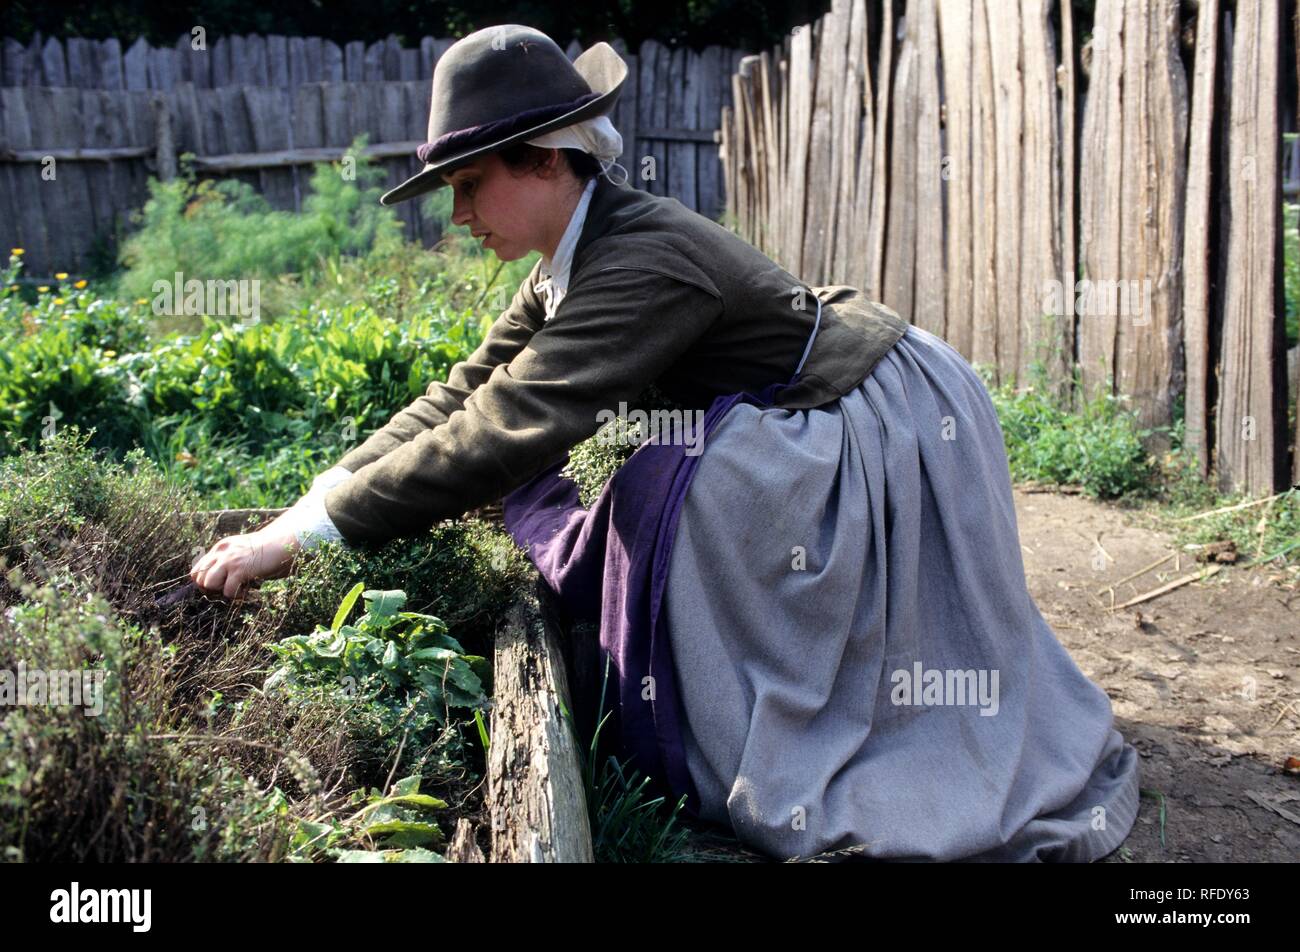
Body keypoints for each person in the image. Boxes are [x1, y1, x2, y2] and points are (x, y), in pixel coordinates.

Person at [190, 24, 1139, 862]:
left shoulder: (639, 257)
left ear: (545, 161)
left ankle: (810, 704)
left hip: (869, 410)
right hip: (795, 400)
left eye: (470, 184)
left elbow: (512, 424)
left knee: (686, 488)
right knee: (661, 473)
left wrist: (311, 539)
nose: (459, 216)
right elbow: (461, 396)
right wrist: (306, 509)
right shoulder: (567, 262)